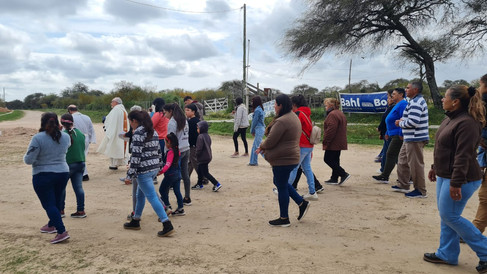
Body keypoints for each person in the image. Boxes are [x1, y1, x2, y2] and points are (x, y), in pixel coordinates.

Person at [423, 85, 487, 273]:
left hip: (462, 178)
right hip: (446, 175)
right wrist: (436, 167)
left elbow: (463, 155)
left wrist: (456, 183)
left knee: (450, 215)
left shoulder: (467, 123)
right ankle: (447, 254)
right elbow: (443, 148)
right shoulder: (450, 119)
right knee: (447, 216)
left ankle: (485, 251)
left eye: (445, 97)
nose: (442, 99)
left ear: (455, 101)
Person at [255, 94, 310, 227]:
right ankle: (301, 203)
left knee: (281, 185)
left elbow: (271, 140)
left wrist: (261, 146)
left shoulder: (282, 120)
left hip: (284, 158)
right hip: (291, 156)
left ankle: (284, 218)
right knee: (281, 182)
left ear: (281, 105)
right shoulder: (293, 116)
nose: (274, 106)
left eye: (275, 104)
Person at [123, 110, 174, 237]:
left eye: (130, 122)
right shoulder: (153, 131)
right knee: (140, 195)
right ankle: (136, 220)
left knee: (151, 196)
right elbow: (158, 151)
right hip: (153, 168)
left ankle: (166, 223)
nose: (130, 125)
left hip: (143, 170)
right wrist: (159, 166)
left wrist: (129, 175)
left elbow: (136, 156)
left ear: (134, 121)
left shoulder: (138, 133)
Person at [24, 112, 71, 244]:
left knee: (49, 204)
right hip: (62, 172)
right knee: (55, 201)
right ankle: (52, 224)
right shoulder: (65, 137)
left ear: (42, 123)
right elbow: (65, 148)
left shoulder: (38, 138)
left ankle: (61, 231)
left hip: (43, 173)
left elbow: (29, 160)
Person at [391, 81, 429, 198]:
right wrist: (404, 119)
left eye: (408, 88)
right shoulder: (413, 101)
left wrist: (400, 123)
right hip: (410, 137)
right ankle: (403, 184)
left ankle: (420, 190)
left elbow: (413, 122)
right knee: (402, 160)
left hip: (415, 138)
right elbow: (411, 118)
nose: (406, 90)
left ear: (415, 90)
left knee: (416, 165)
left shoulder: (416, 102)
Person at [372, 88, 407, 183]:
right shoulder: (397, 105)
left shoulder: (403, 104)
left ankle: (385, 175)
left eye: (394, 94)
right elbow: (389, 119)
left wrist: (400, 133)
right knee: (396, 155)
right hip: (392, 133)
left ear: (401, 94)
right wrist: (387, 132)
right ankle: (386, 175)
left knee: (391, 154)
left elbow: (403, 119)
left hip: (397, 134)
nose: (392, 96)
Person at [287, 94, 318, 200]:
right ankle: (312, 192)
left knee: (293, 168)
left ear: (294, 104)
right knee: (307, 168)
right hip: (309, 145)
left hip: (301, 145)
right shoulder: (306, 113)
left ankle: (285, 189)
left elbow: (293, 129)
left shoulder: (298, 114)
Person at [163, 103, 191, 207]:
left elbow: (170, 140)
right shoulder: (184, 119)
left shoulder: (172, 122)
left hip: (177, 151)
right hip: (186, 148)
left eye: (165, 112)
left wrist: (167, 153)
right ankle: (187, 197)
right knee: (185, 174)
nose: (164, 115)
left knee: (174, 175)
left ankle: (172, 201)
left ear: (170, 111)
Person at [60, 113, 87, 218]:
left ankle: (60, 210)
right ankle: (81, 210)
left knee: (61, 188)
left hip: (68, 164)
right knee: (78, 188)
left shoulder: (63, 135)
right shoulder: (80, 133)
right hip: (81, 162)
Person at [322, 98, 350, 185]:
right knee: (335, 159)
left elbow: (331, 129)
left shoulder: (332, 115)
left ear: (330, 106)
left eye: (326, 105)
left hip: (333, 141)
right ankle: (334, 178)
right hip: (339, 141)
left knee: (327, 159)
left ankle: (343, 173)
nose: (325, 107)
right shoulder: (340, 113)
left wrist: (326, 140)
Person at [97, 97, 129, 170]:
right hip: (123, 132)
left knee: (114, 146)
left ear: (116, 102)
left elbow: (110, 121)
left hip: (115, 132)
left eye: (112, 102)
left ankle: (114, 164)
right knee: (120, 147)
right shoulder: (124, 110)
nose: (111, 103)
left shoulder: (116, 110)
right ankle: (119, 163)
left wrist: (105, 122)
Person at [472, 74, 487, 236]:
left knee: (484, 198)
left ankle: (474, 232)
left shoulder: (483, 105)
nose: (478, 88)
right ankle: (475, 231)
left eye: (480, 85)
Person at [191, 120, 222, 191]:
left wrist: (196, 154)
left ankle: (216, 183)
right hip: (207, 156)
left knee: (205, 172)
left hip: (202, 157)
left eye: (198, 128)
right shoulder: (207, 136)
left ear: (202, 128)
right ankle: (199, 184)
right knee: (199, 170)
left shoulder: (200, 137)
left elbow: (199, 148)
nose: (197, 130)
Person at [67, 105, 96, 181]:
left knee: (78, 157)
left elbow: (68, 128)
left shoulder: (71, 118)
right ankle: (82, 174)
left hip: (76, 137)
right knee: (83, 156)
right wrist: (89, 139)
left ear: (70, 111)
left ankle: (83, 174)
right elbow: (91, 129)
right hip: (85, 137)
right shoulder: (87, 117)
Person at [159, 133, 185, 216]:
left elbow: (167, 165)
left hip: (170, 175)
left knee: (162, 190)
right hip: (178, 174)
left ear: (169, 143)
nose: (165, 144)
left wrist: (160, 172)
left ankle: (167, 206)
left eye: (165, 142)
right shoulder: (178, 150)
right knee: (177, 191)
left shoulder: (170, 152)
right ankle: (180, 208)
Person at [185, 103, 206, 198]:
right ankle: (185, 176)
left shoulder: (193, 121)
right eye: (185, 110)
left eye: (188, 110)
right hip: (193, 145)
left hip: (193, 145)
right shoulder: (193, 120)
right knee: (191, 162)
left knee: (195, 162)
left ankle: (203, 178)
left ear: (193, 112)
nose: (186, 112)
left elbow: (194, 135)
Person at [376, 90, 395, 172]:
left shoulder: (393, 107)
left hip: (390, 133)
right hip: (386, 132)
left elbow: (386, 120)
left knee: (390, 153)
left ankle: (384, 169)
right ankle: (383, 169)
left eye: (389, 97)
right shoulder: (389, 107)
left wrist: (380, 128)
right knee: (387, 152)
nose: (387, 99)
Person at [249, 96, 265, 166]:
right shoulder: (260, 109)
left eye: (252, 101)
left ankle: (272, 160)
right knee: (255, 146)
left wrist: (252, 130)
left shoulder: (257, 110)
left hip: (258, 128)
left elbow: (254, 122)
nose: (251, 103)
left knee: (258, 146)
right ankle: (253, 161)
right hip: (260, 128)